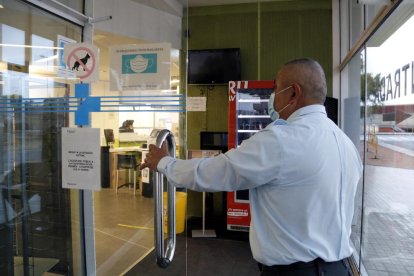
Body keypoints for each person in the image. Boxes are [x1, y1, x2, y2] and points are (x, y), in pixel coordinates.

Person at [140, 58, 363, 276]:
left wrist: (163, 162)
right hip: (340, 268)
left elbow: (215, 173)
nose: (272, 98)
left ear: (293, 93)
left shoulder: (281, 140)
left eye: (276, 89)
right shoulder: (345, 143)